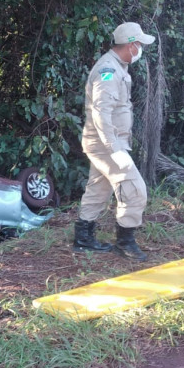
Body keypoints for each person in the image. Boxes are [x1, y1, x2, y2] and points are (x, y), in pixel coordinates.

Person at [73, 22, 155, 262]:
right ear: (130, 45)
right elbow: (100, 112)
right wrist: (114, 148)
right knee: (134, 189)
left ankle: (83, 239)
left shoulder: (117, 67)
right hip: (106, 143)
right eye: (139, 44)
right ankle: (125, 242)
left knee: (99, 187)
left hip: (104, 142)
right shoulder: (108, 70)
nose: (140, 49)